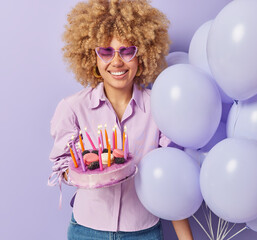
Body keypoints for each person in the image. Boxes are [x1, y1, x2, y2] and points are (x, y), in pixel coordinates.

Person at [48, 0, 193, 239]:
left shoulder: (160, 107)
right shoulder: (73, 109)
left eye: (127, 51)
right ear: (91, 56)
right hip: (87, 231)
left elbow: (172, 178)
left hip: (143, 232)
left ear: (143, 55)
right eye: (106, 51)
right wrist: (82, 170)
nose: (116, 61)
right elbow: (62, 166)